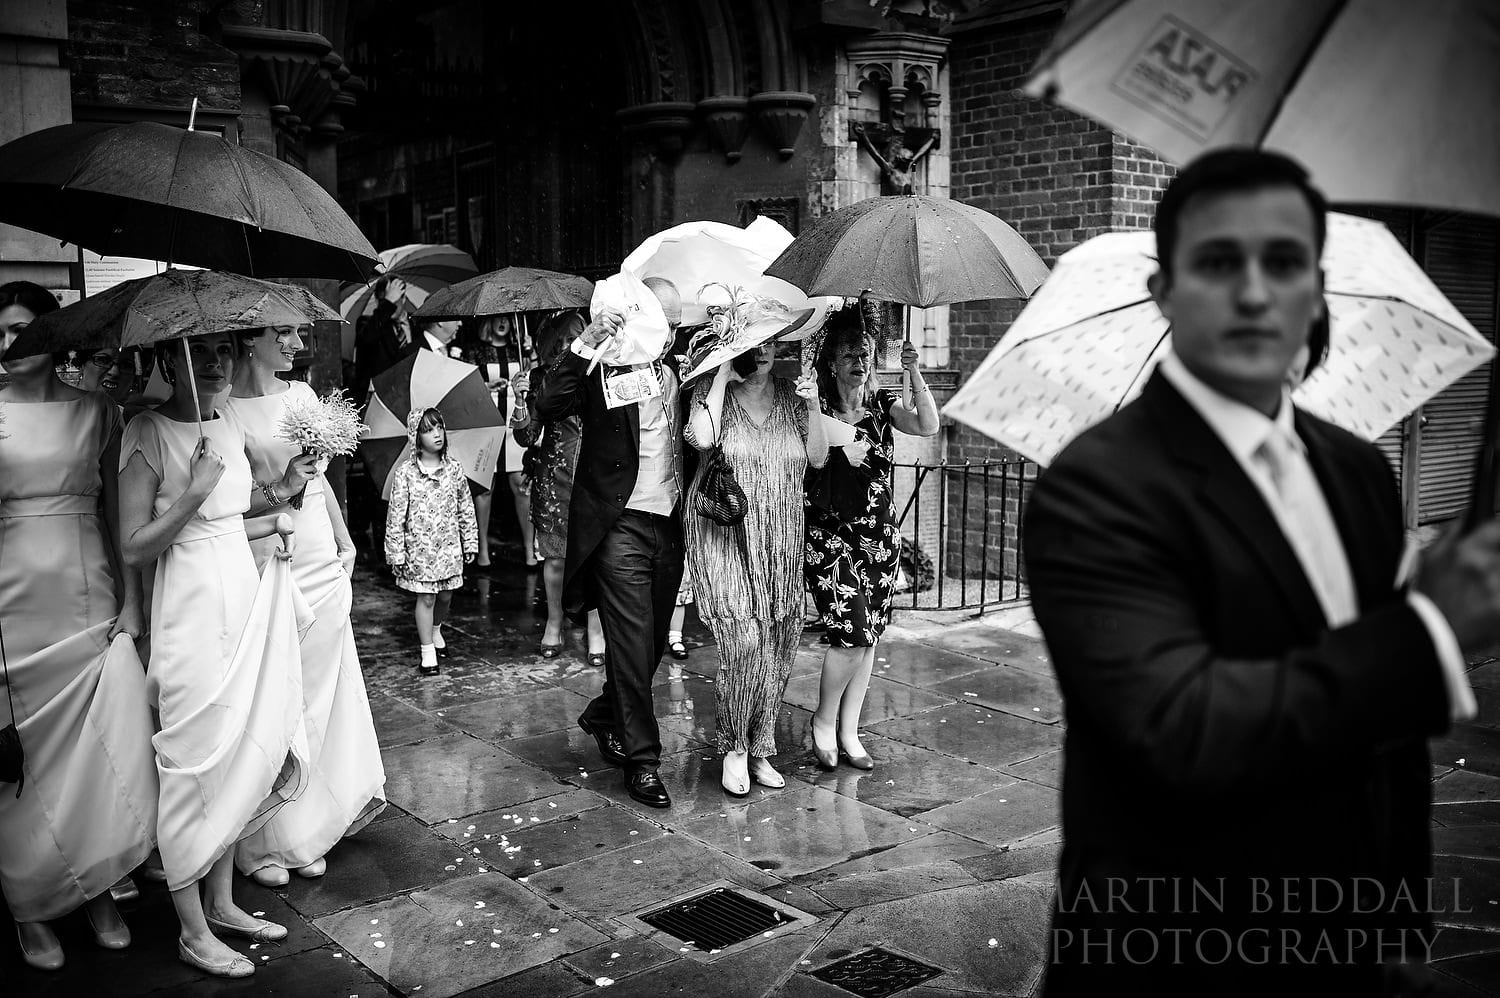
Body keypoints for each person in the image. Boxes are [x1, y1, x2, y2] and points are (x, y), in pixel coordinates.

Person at [1024, 148, 1490, 995]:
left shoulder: (1358, 470)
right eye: (1217, 262)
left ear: (1316, 288)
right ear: (1164, 291)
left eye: (1282, 263)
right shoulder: (1095, 488)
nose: (1252, 292)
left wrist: (1396, 928)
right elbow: (1182, 729)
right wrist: (1427, 631)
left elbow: (1390, 746)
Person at [118, 330, 319, 979]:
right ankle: (192, 932)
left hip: (243, 601)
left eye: (222, 352)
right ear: (168, 360)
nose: (212, 363)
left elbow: (234, 514)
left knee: (235, 753)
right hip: (189, 615)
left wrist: (283, 490)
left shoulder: (225, 421)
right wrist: (193, 490)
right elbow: (134, 545)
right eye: (198, 352)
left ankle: (224, 903)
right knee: (192, 762)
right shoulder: (146, 431)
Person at [0, 281, 157, 971]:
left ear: (52, 334)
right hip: (12, 607)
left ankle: (95, 886)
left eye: (19, 330)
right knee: (25, 764)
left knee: (96, 750)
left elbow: (119, 514)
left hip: (89, 591)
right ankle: (30, 906)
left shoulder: (98, 410)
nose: (7, 344)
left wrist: (132, 601)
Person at [223, 324, 386, 889]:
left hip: (319, 549)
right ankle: (265, 837)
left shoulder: (302, 394)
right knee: (278, 695)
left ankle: (310, 828)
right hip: (271, 553)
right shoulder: (226, 411)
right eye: (284, 333)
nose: (297, 343)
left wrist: (343, 537)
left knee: (322, 692)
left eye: (297, 332)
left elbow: (318, 482)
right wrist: (283, 485)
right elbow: (226, 506)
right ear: (251, 340)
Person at [535, 277, 686, 809]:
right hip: (618, 524)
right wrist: (587, 342)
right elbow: (549, 403)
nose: (670, 332)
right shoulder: (604, 369)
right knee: (630, 642)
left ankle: (604, 715)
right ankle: (643, 762)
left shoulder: (683, 370)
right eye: (663, 320)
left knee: (651, 645)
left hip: (669, 522)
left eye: (676, 323)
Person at [685, 334, 828, 796]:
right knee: (744, 640)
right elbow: (701, 438)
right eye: (752, 341)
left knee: (778, 640)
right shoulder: (712, 389)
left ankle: (761, 745)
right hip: (723, 532)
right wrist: (721, 376)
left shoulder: (792, 394)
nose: (762, 350)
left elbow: (817, 458)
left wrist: (813, 405)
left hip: (781, 533)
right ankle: (734, 747)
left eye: (770, 341)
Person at [803, 303, 938, 771]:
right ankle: (823, 720)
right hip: (829, 537)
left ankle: (849, 730)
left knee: (869, 638)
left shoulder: (883, 405)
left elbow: (927, 425)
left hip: (879, 537)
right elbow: (814, 460)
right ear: (831, 363)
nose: (859, 362)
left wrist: (914, 371)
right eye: (848, 354)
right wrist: (829, 428)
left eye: (864, 353)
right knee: (852, 634)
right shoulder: (816, 406)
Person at [511, 309, 607, 662]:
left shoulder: (601, 373)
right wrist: (520, 399)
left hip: (595, 478)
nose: (569, 345)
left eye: (575, 338)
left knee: (596, 559)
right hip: (555, 482)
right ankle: (554, 622)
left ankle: (595, 628)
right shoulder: (540, 378)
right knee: (554, 560)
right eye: (563, 340)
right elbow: (526, 437)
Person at [384, 406, 479, 676]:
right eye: (427, 430)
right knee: (426, 598)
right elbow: (396, 515)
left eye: (439, 427)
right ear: (415, 436)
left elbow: (465, 507)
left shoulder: (454, 469)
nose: (436, 434)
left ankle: (436, 629)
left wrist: (470, 540)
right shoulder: (405, 473)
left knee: (445, 595)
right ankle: (427, 652)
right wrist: (396, 553)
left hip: (448, 548)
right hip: (419, 551)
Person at [470, 313, 536, 569]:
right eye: (497, 319)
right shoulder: (475, 351)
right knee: (485, 487)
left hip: (513, 422)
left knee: (521, 484)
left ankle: (530, 548)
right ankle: (482, 548)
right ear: (488, 323)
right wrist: (486, 387)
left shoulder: (518, 349)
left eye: (507, 319)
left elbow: (535, 379)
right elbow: (467, 387)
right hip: (486, 422)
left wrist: (530, 353)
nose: (502, 323)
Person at [352, 277, 417, 406]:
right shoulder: (368, 323)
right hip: (382, 399)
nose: (391, 306)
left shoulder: (417, 322)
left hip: (413, 396)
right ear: (378, 301)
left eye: (395, 301)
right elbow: (367, 338)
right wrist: (388, 302)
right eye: (384, 301)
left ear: (404, 299)